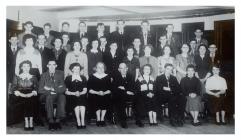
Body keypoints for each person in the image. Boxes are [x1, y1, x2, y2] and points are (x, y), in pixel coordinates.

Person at [38, 60, 66, 131]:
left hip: (57, 94)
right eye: (50, 65)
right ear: (47, 66)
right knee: (49, 97)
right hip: (45, 96)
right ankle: (50, 120)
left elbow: (63, 88)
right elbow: (40, 90)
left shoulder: (60, 74)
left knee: (62, 97)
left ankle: (57, 120)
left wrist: (52, 89)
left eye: (53, 65)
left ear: (56, 66)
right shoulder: (43, 75)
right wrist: (50, 92)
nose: (52, 66)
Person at [11, 60, 38, 131]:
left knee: (30, 99)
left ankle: (31, 120)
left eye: (28, 66)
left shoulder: (34, 77)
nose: (26, 68)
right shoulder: (17, 77)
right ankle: (27, 121)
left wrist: (31, 94)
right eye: (24, 66)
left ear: (30, 68)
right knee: (26, 100)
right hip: (19, 96)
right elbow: (13, 88)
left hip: (31, 95)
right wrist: (21, 94)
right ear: (21, 68)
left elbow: (36, 88)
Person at [112, 63, 137, 128]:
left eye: (124, 68)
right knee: (121, 98)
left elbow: (133, 86)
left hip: (129, 94)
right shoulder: (115, 77)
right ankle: (123, 121)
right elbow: (115, 89)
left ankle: (138, 119)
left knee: (138, 98)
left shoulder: (130, 76)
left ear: (127, 69)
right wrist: (126, 91)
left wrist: (124, 88)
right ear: (119, 69)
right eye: (121, 68)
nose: (123, 70)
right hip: (119, 96)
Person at [87, 62, 112, 127]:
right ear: (96, 68)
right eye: (99, 67)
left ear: (104, 68)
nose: (100, 69)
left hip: (105, 94)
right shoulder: (92, 76)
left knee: (106, 98)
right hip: (95, 94)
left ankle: (102, 118)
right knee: (95, 98)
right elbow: (89, 89)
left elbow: (110, 89)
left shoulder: (108, 76)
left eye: (102, 67)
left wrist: (104, 92)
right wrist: (97, 92)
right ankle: (98, 118)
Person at [65, 63, 87, 129]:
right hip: (71, 96)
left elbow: (85, 90)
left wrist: (80, 93)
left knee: (82, 105)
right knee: (77, 104)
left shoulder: (83, 77)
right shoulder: (68, 78)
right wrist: (74, 93)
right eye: (75, 69)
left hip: (81, 95)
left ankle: (83, 121)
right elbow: (66, 91)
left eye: (78, 69)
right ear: (72, 69)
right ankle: (78, 121)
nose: (77, 70)